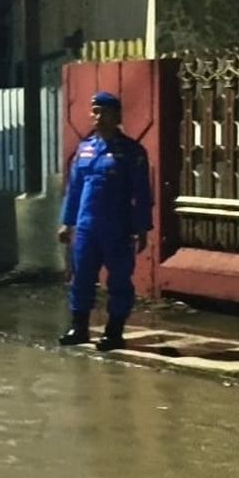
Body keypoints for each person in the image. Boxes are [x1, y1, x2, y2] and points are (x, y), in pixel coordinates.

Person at [57, 91, 153, 351]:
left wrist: (142, 228)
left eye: (103, 112)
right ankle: (79, 327)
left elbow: (142, 193)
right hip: (87, 227)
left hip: (118, 228)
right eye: (94, 111)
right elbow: (74, 189)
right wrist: (67, 223)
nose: (97, 117)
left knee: (119, 279)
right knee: (82, 277)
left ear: (117, 116)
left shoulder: (132, 152)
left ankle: (114, 331)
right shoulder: (85, 149)